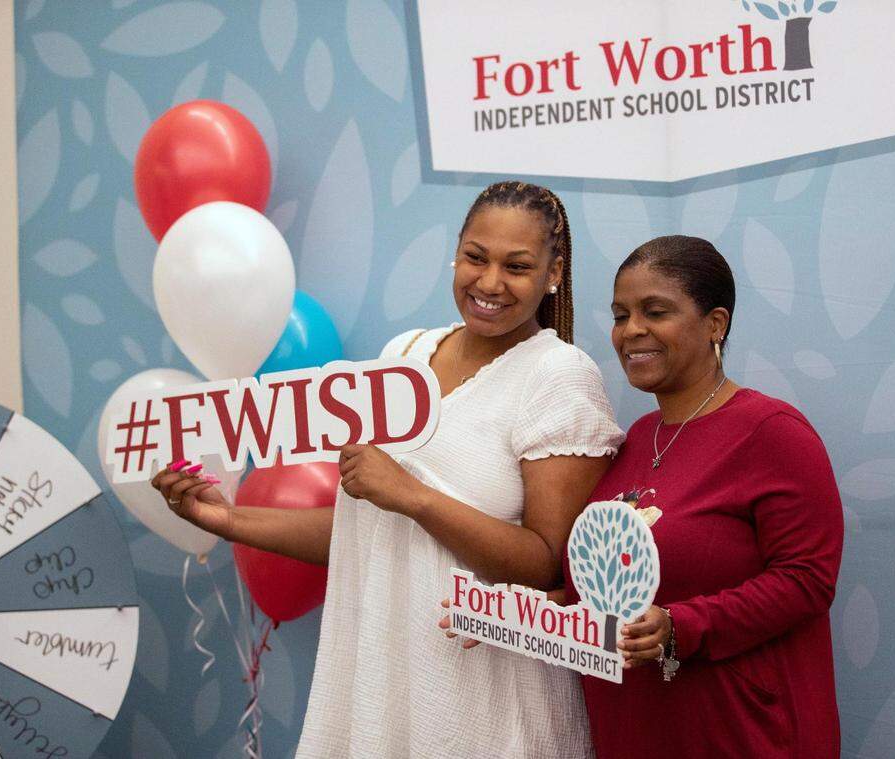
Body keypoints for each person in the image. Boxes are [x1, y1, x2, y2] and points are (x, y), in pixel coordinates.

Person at [151, 181, 624, 758]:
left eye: (517, 266)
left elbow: (549, 566)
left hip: (486, 703)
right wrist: (227, 519)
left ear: (553, 274)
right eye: (476, 257)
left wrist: (414, 496)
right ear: (456, 252)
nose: (490, 282)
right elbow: (366, 534)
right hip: (379, 687)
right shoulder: (404, 355)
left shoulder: (559, 376)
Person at [570, 235, 844, 758]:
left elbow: (808, 579)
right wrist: (516, 613)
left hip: (740, 732)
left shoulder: (772, 431)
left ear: (715, 324)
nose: (632, 331)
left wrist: (682, 626)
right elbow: (607, 589)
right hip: (635, 731)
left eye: (656, 311)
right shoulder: (631, 441)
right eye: (620, 314)